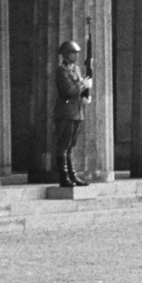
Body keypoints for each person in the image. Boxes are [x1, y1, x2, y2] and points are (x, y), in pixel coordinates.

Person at [53, 40, 92, 187]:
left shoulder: (75, 69)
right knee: (63, 146)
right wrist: (84, 85)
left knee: (70, 146)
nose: (75, 56)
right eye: (72, 53)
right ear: (65, 55)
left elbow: (78, 91)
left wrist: (85, 96)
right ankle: (64, 177)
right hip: (66, 111)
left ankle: (73, 176)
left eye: (76, 53)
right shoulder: (61, 71)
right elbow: (69, 90)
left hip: (76, 111)